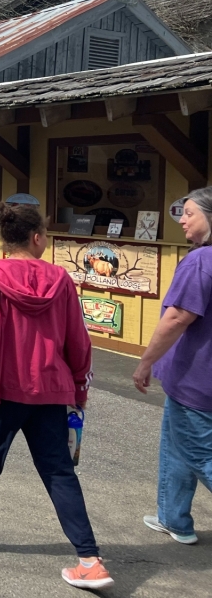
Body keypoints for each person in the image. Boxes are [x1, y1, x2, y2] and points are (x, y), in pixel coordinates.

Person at [0, 203, 112, 591]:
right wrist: (79, 390)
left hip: (4, 390)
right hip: (52, 388)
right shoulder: (62, 280)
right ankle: (90, 559)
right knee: (58, 471)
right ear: (35, 238)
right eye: (46, 234)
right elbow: (79, 341)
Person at [132, 187, 212, 546]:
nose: (181, 219)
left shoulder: (200, 262)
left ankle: (173, 517)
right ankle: (173, 519)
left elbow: (177, 317)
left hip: (198, 377)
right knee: (178, 447)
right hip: (194, 379)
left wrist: (146, 361)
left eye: (190, 213)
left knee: (199, 453)